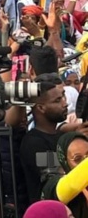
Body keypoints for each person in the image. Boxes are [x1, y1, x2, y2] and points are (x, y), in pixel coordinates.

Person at [19, 73, 68, 203]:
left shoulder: (61, 136)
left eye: (63, 96)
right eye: (57, 100)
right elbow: (56, 179)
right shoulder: (34, 143)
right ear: (41, 107)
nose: (65, 103)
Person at [42, 132, 88, 217]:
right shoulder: (53, 185)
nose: (84, 162)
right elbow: (70, 186)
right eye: (77, 159)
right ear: (65, 162)